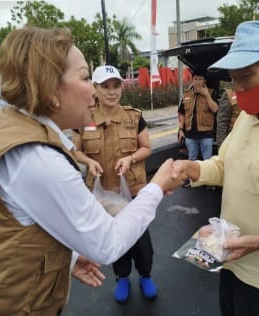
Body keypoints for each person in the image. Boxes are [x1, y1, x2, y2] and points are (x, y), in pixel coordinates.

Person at [0, 27, 183, 314]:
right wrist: (157, 186)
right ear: (49, 85)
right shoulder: (37, 158)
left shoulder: (3, 127)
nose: (94, 90)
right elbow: (108, 244)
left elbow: (20, 221)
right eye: (87, 78)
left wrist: (69, 257)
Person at [172, 20, 259, 316]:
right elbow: (226, 163)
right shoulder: (249, 114)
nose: (238, 89)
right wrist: (192, 169)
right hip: (230, 262)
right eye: (233, 79)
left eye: (246, 76)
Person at [73, 65, 157, 302]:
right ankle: (121, 277)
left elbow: (146, 148)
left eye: (116, 86)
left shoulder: (134, 116)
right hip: (103, 196)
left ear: (122, 87)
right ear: (95, 89)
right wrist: (88, 161)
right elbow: (74, 151)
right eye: (105, 86)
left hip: (133, 191)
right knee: (113, 239)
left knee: (140, 239)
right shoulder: (83, 119)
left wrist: (131, 158)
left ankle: (146, 275)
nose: (112, 92)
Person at [177, 68, 218, 163]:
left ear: (204, 81)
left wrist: (207, 95)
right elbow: (181, 113)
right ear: (192, 80)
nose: (198, 82)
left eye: (200, 79)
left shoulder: (211, 93)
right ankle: (193, 178)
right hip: (190, 135)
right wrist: (181, 129)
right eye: (195, 79)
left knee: (207, 161)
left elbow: (215, 109)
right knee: (192, 159)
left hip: (206, 135)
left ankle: (207, 178)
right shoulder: (187, 94)